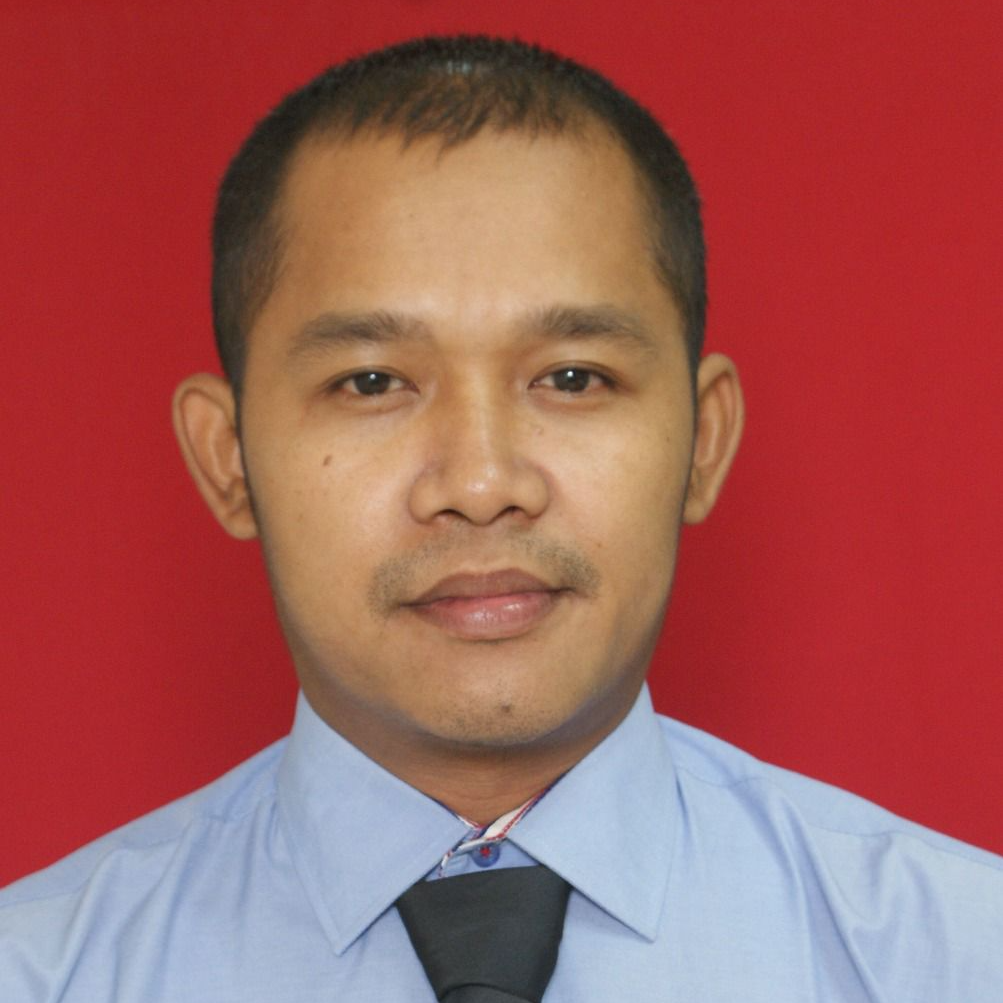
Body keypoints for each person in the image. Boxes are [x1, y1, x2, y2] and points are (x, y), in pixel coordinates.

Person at [1, 34, 1000, 1003]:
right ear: (228, 458)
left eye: (572, 377)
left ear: (703, 438)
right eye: (371, 381)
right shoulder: (38, 974)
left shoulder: (958, 960)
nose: (481, 484)